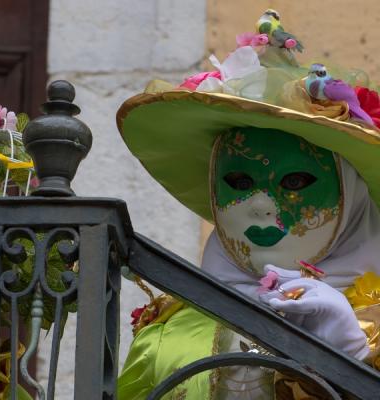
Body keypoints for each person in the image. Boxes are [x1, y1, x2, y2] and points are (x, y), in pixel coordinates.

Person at [116, 9, 380, 399]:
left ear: (352, 194)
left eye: (294, 181)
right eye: (238, 182)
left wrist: (357, 358)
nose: (259, 205)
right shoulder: (169, 332)